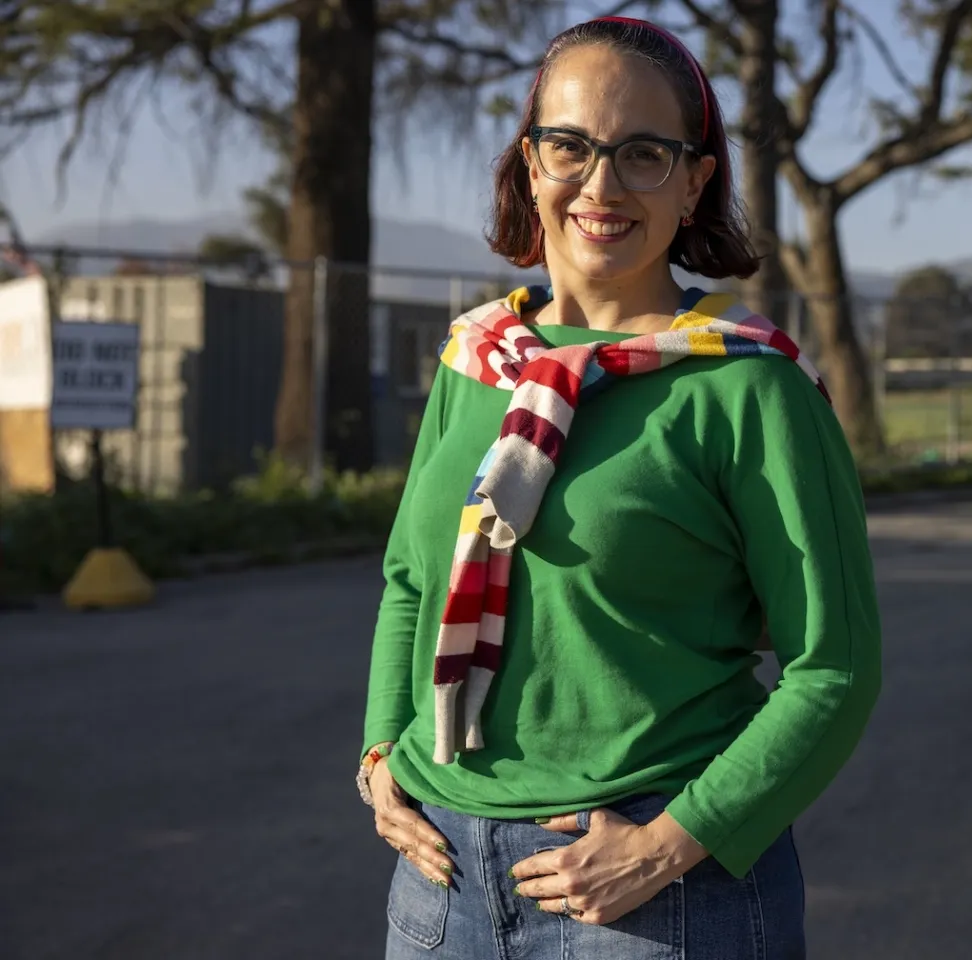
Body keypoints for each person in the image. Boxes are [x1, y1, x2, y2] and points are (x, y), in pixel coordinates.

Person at [358, 16, 882, 959]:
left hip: (655, 900)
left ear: (694, 182)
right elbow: (409, 578)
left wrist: (668, 846)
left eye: (643, 153)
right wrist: (380, 753)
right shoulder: (474, 361)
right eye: (570, 146)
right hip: (437, 889)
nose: (601, 186)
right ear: (529, 164)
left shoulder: (748, 386)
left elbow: (833, 667)